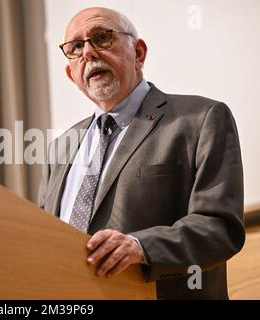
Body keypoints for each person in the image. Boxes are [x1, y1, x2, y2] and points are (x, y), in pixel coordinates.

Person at [38, 7, 245, 299]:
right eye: (76, 47)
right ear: (71, 74)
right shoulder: (60, 149)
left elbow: (220, 228)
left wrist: (141, 247)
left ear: (138, 53)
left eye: (101, 37)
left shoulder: (200, 119)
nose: (88, 53)